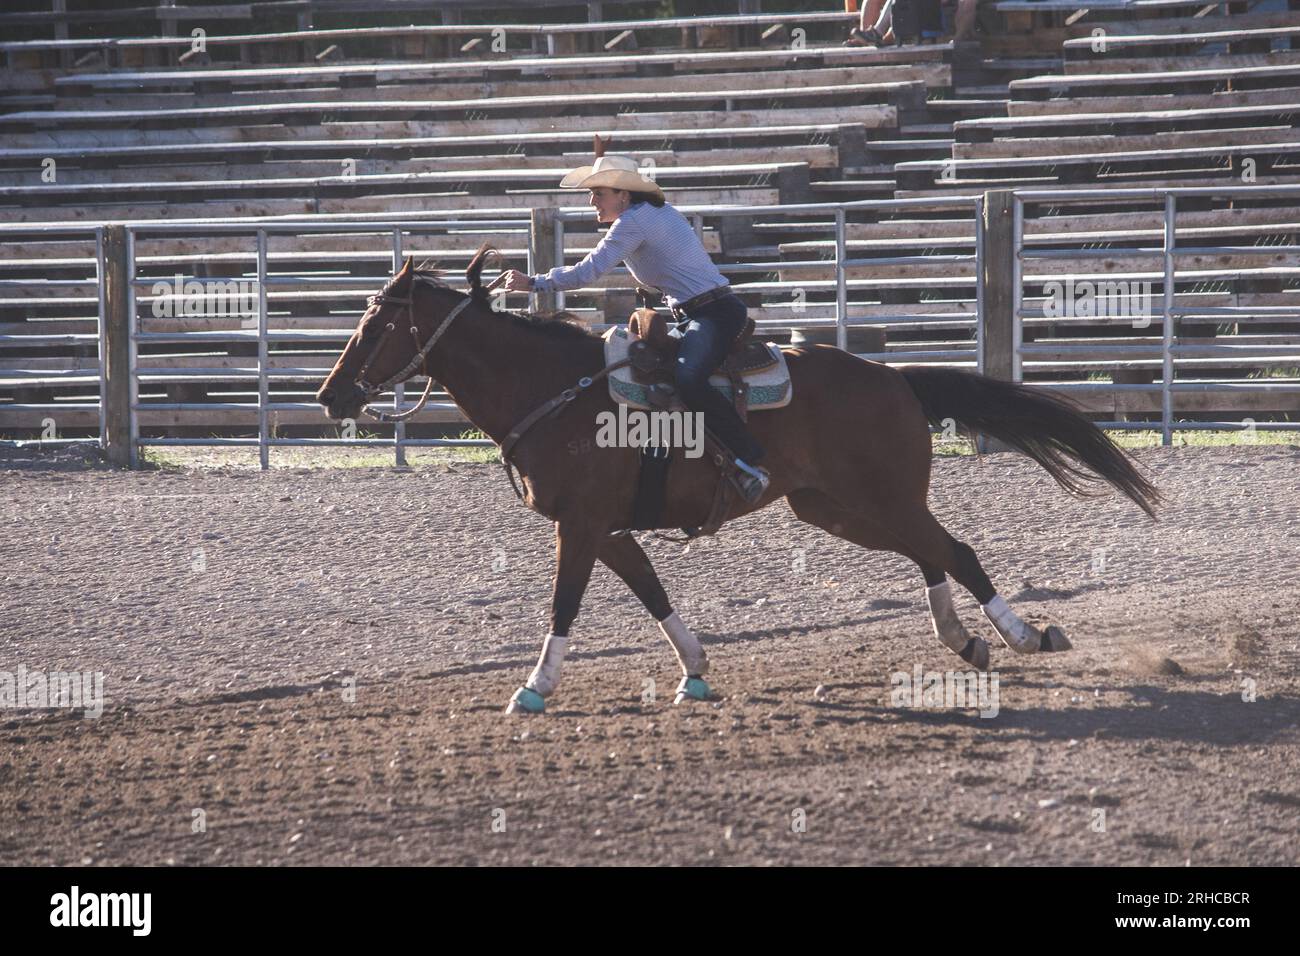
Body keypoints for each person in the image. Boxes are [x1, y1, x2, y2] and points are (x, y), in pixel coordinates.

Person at [500, 152, 770, 504]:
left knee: (689, 380)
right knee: (658, 378)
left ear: (623, 196)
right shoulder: (652, 213)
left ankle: (749, 462)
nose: (592, 200)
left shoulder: (632, 223)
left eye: (600, 192)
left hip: (712, 314)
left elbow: (587, 271)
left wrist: (533, 282)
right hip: (700, 313)